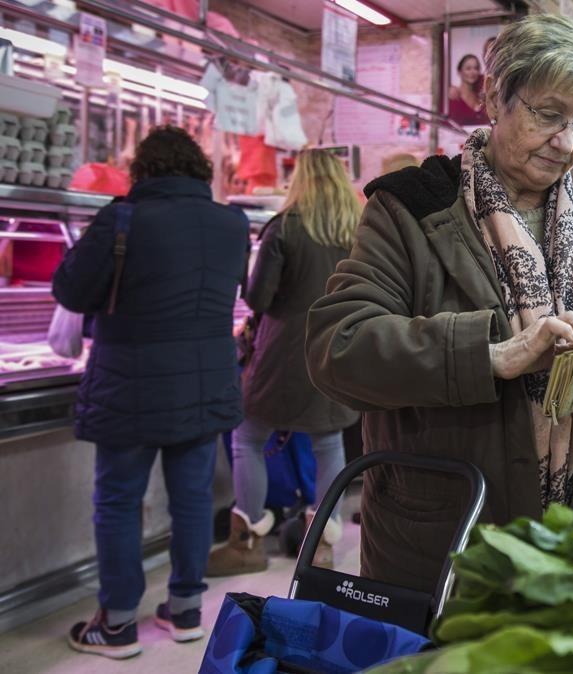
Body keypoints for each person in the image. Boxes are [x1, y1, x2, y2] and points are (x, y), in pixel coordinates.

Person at [306, 14, 573, 594]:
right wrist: (492, 353)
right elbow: (337, 347)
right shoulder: (411, 211)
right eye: (548, 115)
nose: (567, 142)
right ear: (496, 96)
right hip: (450, 541)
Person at [52, 126, 249, 658]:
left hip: (129, 383)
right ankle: (185, 609)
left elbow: (69, 288)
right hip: (206, 381)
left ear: (142, 171)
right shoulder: (232, 224)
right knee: (190, 499)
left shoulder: (122, 217)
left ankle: (116, 624)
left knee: (118, 500)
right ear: (200, 172)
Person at [207, 150, 361, 577]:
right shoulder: (358, 230)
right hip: (336, 350)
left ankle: (247, 542)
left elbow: (258, 299)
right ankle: (323, 547)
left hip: (282, 355)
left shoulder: (286, 227)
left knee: (249, 438)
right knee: (328, 444)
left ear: (301, 181)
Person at [447, 53, 489, 126]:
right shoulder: (453, 96)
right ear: (459, 72)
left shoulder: (481, 95)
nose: (472, 72)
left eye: (476, 68)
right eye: (468, 68)